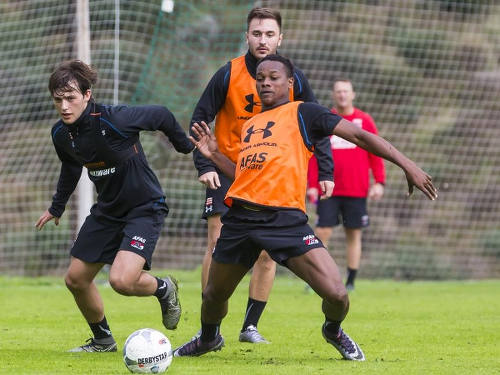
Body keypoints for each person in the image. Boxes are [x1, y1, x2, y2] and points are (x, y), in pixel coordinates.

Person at [173, 54, 437, 360]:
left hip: (286, 222)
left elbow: (360, 135)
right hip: (242, 219)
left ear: (289, 82)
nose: (265, 83)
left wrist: (408, 165)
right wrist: (215, 155)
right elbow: (245, 177)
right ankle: (208, 339)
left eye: (273, 78)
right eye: (260, 78)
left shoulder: (305, 113)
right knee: (213, 296)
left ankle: (333, 330)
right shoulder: (253, 124)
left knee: (338, 295)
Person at [190, 7, 333, 343]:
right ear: (247, 36)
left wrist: (325, 169)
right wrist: (206, 165)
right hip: (229, 169)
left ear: (280, 38)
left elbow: (320, 124)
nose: (263, 40)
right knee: (216, 242)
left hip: (273, 175)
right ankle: (210, 326)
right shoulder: (228, 74)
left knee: (267, 250)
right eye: (257, 33)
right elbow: (199, 118)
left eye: (270, 34)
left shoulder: (293, 78)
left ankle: (250, 326)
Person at [35, 60, 192, 352]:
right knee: (76, 279)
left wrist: (185, 146)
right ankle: (103, 341)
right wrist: (57, 207)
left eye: (70, 98)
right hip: (108, 211)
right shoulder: (61, 134)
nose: (64, 106)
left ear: (87, 95)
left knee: (121, 281)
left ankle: (164, 288)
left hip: (144, 207)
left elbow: (161, 115)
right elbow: (70, 168)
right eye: (58, 100)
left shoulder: (114, 119)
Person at [307, 78, 386, 291]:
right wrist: (312, 184)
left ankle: (350, 281)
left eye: (346, 91)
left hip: (356, 189)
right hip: (328, 189)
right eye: (338, 91)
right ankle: (319, 278)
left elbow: (376, 152)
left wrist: (379, 182)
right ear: (334, 95)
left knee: (354, 234)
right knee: (322, 231)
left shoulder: (364, 120)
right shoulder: (326, 119)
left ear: (353, 95)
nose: (342, 95)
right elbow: (314, 156)